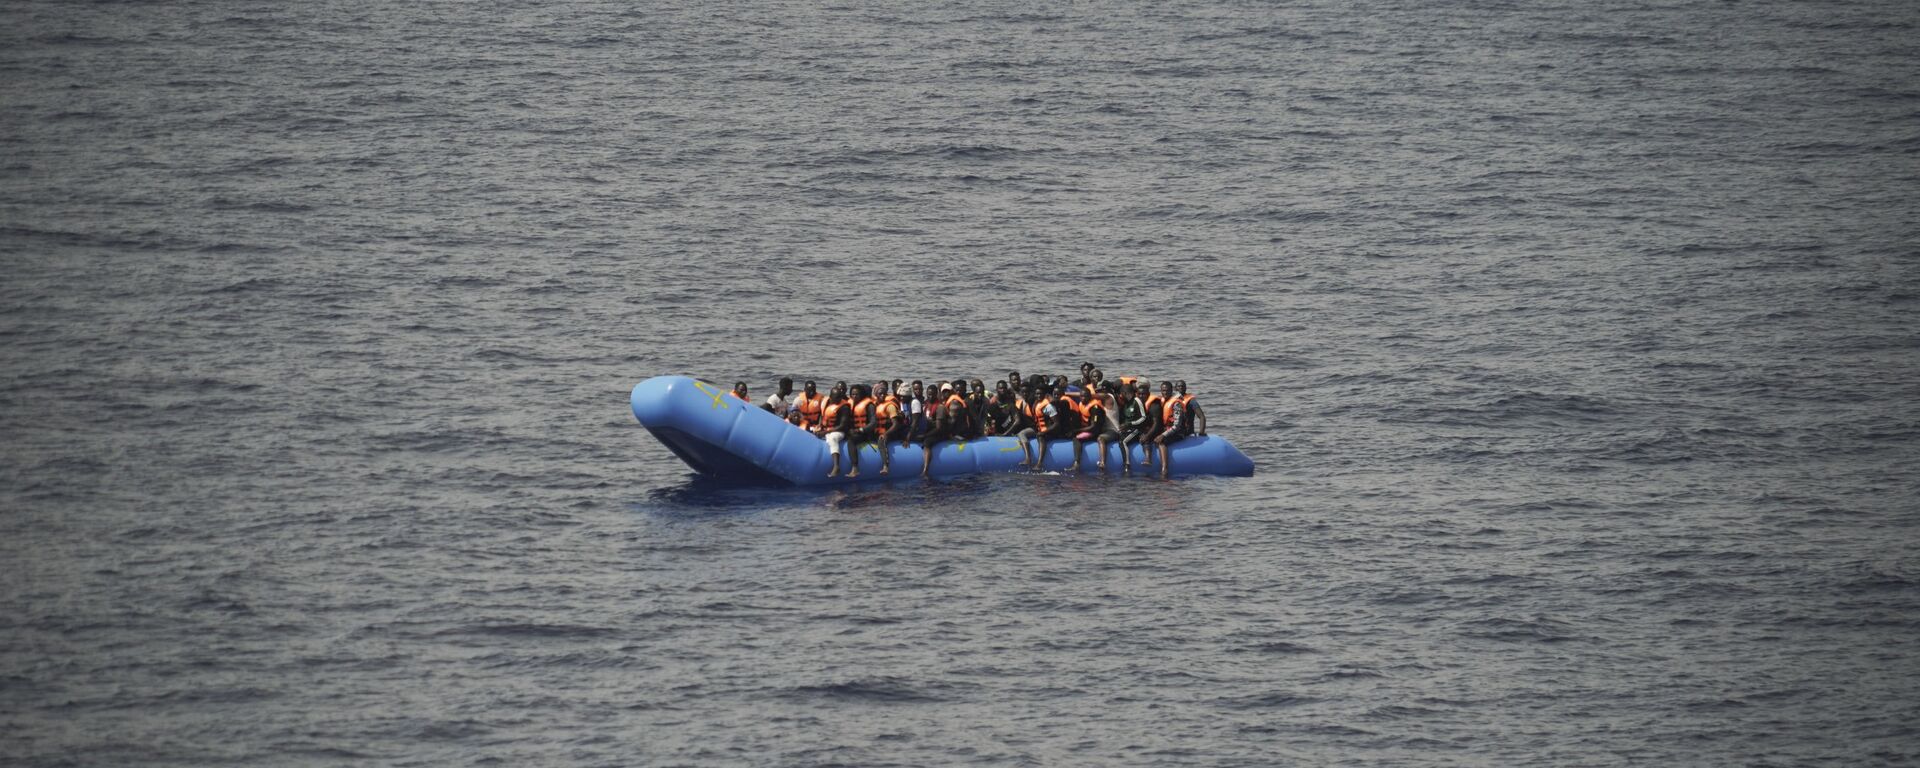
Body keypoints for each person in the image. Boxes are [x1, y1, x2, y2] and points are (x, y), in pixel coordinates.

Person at [1153, 380, 1189, 479]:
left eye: (1167, 391)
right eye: (1163, 391)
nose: (1164, 393)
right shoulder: (1164, 401)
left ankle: (1164, 468)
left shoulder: (1176, 404)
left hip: (1179, 432)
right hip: (1168, 429)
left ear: (1171, 390)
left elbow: (1177, 426)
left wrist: (1163, 435)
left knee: (1162, 442)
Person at [843, 384, 877, 478]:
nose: (854, 396)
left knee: (851, 441)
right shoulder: (850, 404)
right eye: (852, 394)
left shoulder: (869, 405)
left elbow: (873, 423)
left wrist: (861, 430)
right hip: (854, 431)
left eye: (857, 394)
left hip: (866, 433)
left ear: (861, 395)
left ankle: (855, 468)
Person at [919, 401, 959, 479]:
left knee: (927, 442)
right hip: (933, 431)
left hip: (942, 433)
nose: (930, 396)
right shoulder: (927, 406)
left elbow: (939, 428)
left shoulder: (940, 408)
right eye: (929, 394)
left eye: (932, 394)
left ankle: (925, 470)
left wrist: (925, 436)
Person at [820, 386, 854, 478]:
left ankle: (836, 466)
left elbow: (843, 425)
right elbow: (822, 416)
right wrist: (820, 427)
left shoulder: (844, 407)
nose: (839, 399)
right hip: (827, 429)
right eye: (837, 397)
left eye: (840, 397)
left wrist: (827, 431)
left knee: (832, 438)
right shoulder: (826, 402)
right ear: (831, 397)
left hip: (840, 431)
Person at [873, 381, 906, 474]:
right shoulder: (874, 405)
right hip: (878, 431)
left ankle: (885, 466)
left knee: (881, 441)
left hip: (891, 432)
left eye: (884, 393)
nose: (882, 395)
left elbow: (895, 424)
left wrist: (885, 433)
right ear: (876, 395)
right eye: (880, 394)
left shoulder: (890, 406)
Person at [1114, 382, 1148, 473]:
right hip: (1129, 429)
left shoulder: (1137, 401)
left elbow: (1143, 417)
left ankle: (1127, 465)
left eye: (1122, 394)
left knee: (1123, 441)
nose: (1121, 396)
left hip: (1137, 429)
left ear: (1125, 393)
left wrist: (1130, 424)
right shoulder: (1125, 404)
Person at [1137, 381, 1167, 470]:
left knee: (1145, 438)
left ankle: (1148, 458)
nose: (1141, 396)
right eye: (1139, 394)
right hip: (1147, 427)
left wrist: (1147, 436)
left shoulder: (1154, 405)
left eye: (1144, 394)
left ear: (1148, 394)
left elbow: (1157, 424)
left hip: (1158, 428)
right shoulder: (1139, 403)